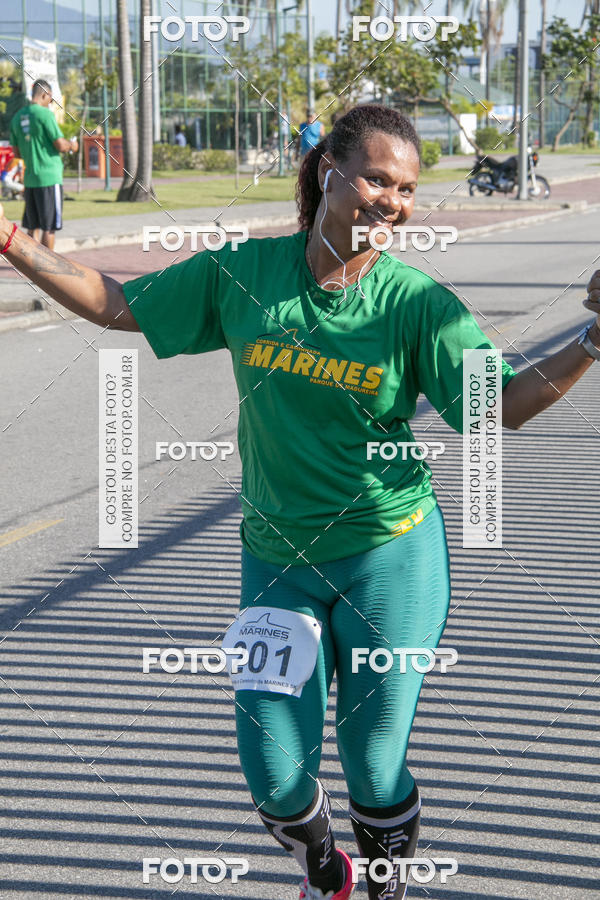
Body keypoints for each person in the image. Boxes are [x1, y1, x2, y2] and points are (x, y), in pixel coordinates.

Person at [1, 104, 600, 900]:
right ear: (329, 171)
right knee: (275, 773)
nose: (393, 200)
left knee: (374, 761)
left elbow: (496, 408)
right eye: (378, 178)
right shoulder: (245, 273)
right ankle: (326, 863)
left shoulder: (414, 302)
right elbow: (118, 303)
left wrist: (592, 340)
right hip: (278, 558)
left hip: (392, 554)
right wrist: (12, 242)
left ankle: (384, 883)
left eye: (408, 189)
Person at [9, 79, 77, 251]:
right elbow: (60, 144)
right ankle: (49, 268)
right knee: (49, 227)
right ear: (44, 95)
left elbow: (16, 153)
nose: (51, 103)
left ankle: (32, 266)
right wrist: (72, 145)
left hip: (31, 179)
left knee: (32, 227)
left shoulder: (17, 117)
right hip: (49, 177)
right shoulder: (45, 114)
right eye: (51, 99)